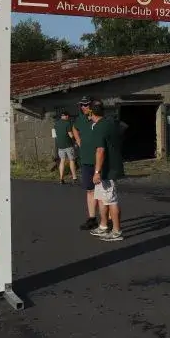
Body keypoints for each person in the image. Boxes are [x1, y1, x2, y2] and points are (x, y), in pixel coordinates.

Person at [88, 99, 125, 241]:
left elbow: (100, 151)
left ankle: (116, 231)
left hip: (107, 170)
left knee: (111, 200)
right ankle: (103, 226)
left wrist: (97, 172)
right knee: (103, 199)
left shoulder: (99, 127)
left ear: (91, 112)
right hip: (107, 168)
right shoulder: (110, 123)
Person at [75, 96, 99, 230]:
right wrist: (79, 141)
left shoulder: (98, 117)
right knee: (90, 190)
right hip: (86, 160)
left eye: (86, 105)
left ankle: (108, 219)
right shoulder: (80, 119)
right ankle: (92, 218)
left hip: (98, 159)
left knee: (102, 191)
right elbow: (74, 128)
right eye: (82, 105)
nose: (83, 107)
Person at [53, 108, 78, 184]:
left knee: (62, 161)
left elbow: (55, 135)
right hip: (68, 145)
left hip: (60, 146)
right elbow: (70, 135)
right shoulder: (67, 123)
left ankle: (61, 179)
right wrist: (76, 141)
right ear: (66, 116)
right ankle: (74, 178)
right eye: (68, 116)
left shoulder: (56, 123)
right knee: (71, 160)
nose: (68, 117)